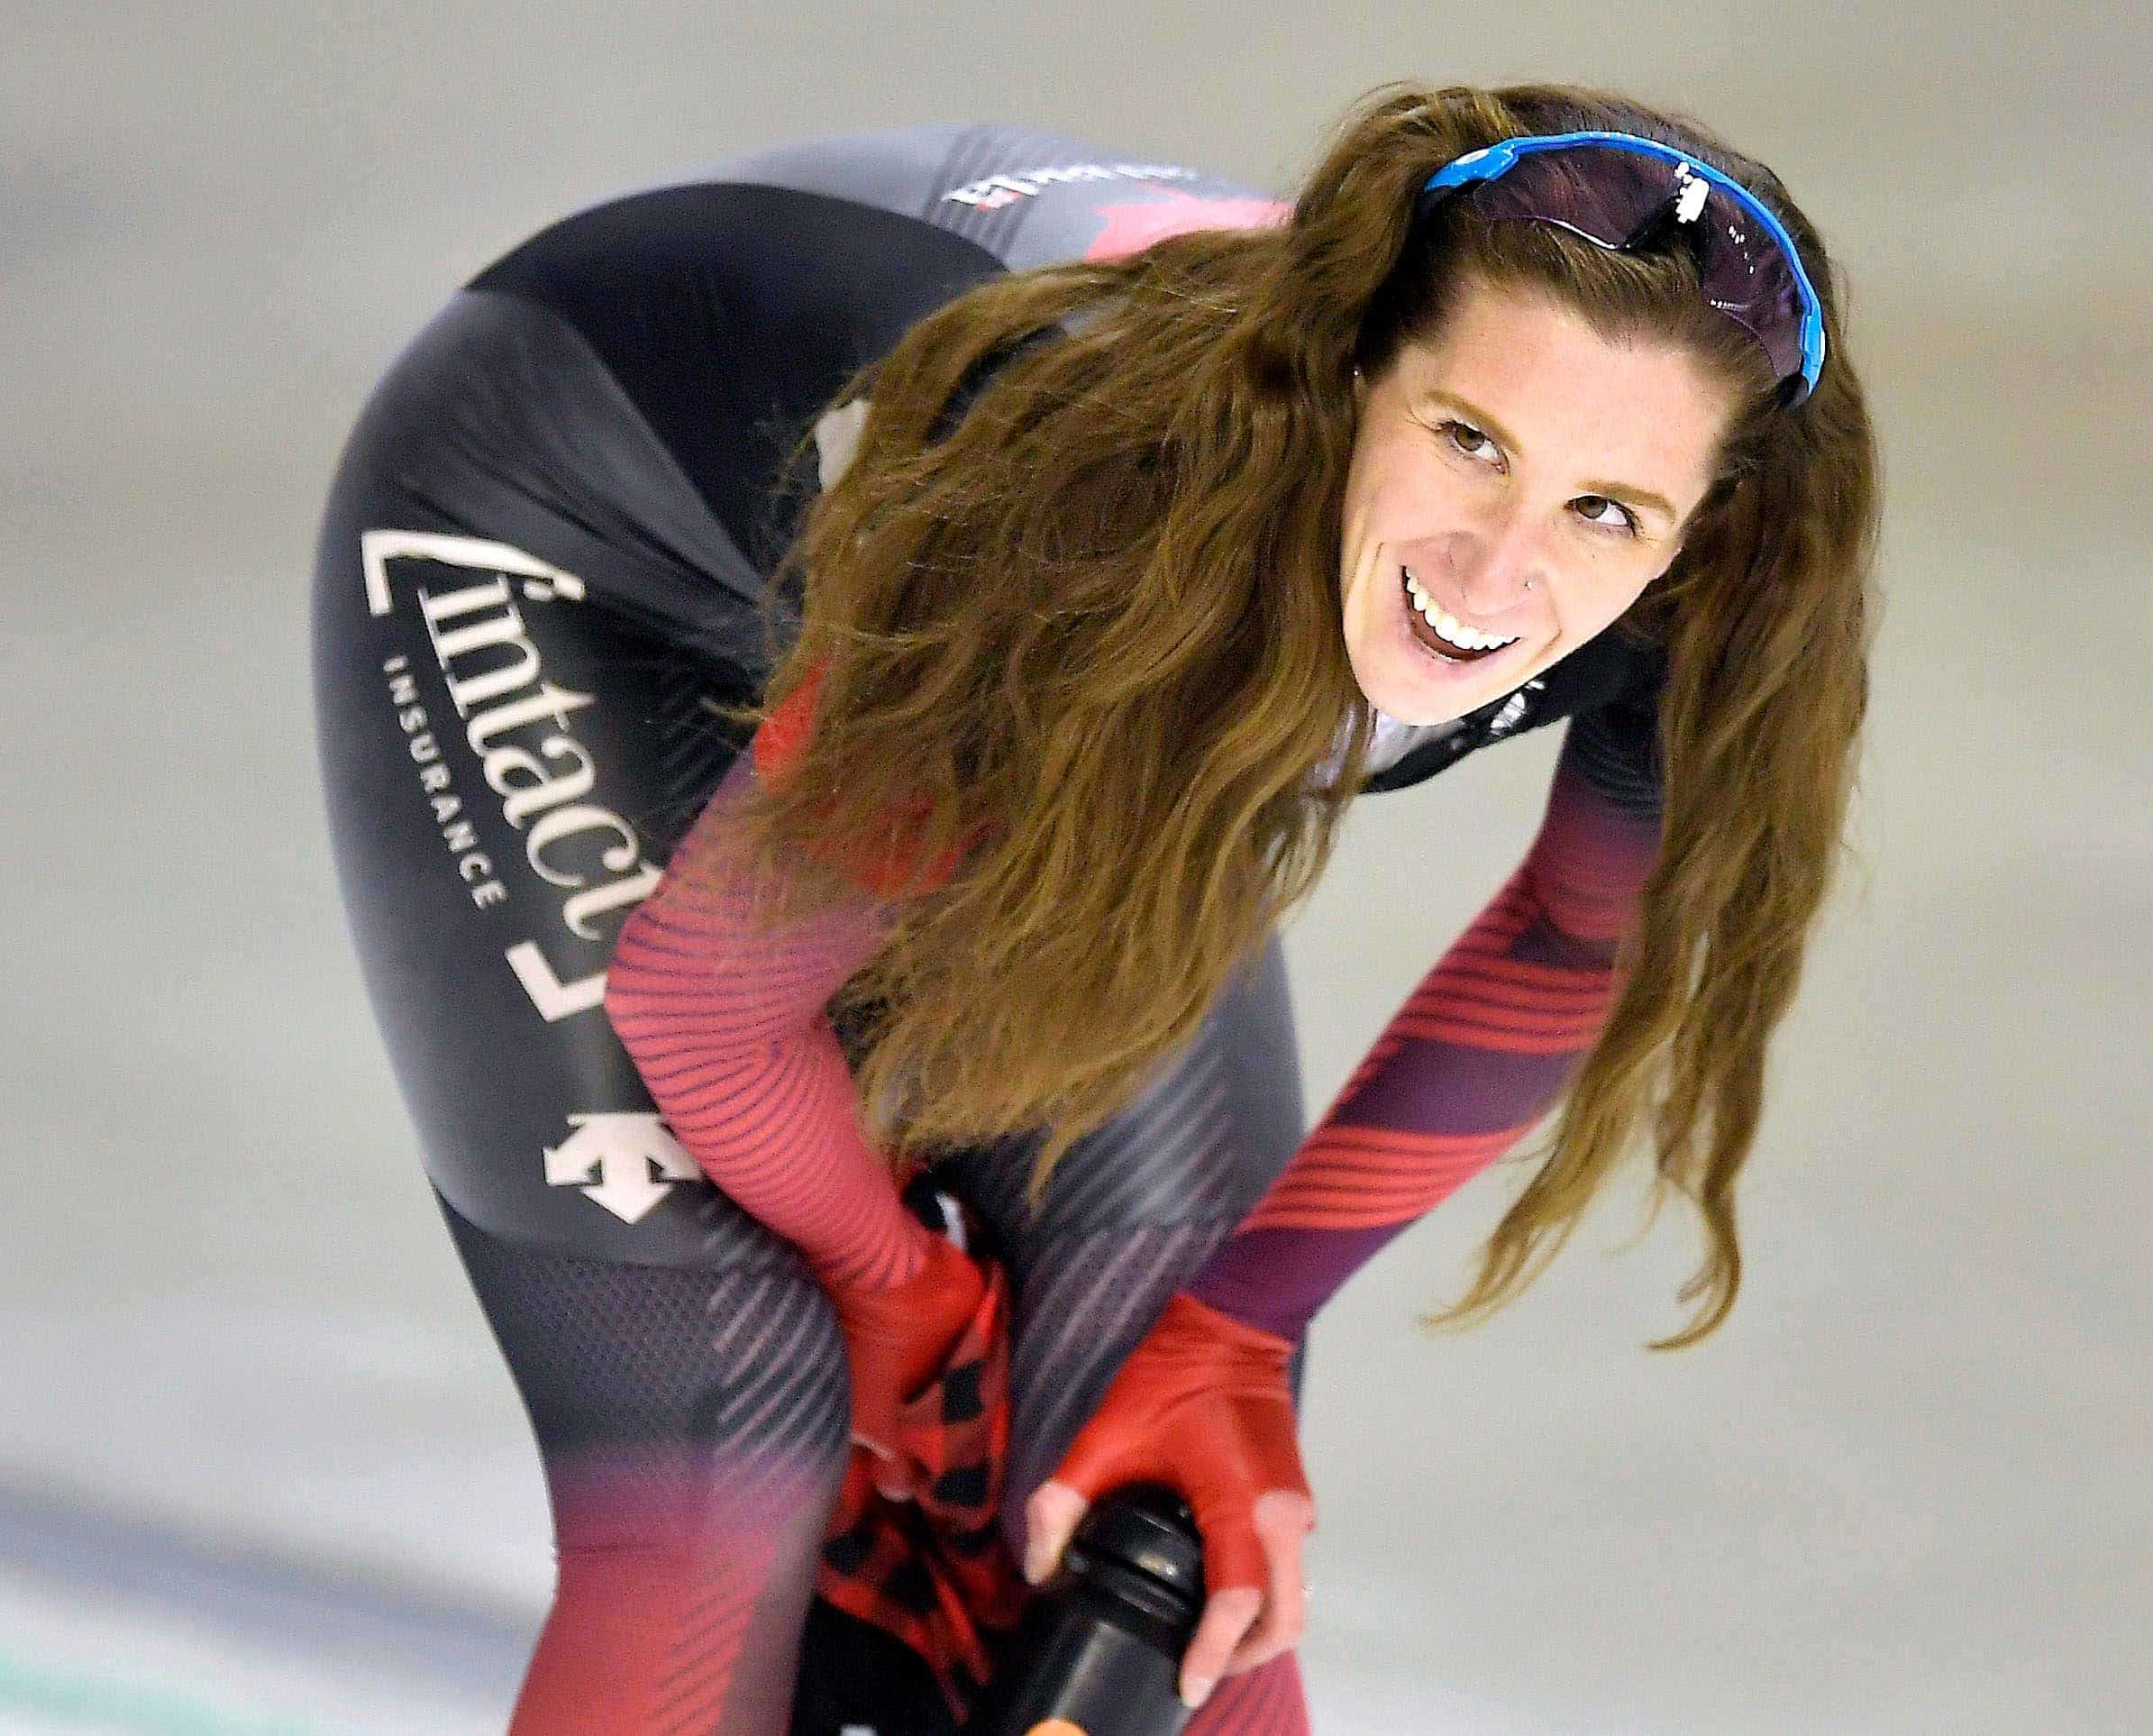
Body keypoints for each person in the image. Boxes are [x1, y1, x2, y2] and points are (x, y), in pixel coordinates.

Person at [311, 80, 1876, 1735]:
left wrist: (1237, 1336)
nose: (1493, 574)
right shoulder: (1118, 498)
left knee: (1154, 1473)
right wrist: (893, 1281)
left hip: (980, 664)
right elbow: (708, 1005)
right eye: (1469, 440)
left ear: (1708, 537)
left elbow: (1570, 942)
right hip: (580, 534)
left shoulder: (1718, 604)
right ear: (1350, 376)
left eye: (1603, 512)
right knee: (730, 1430)